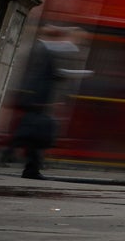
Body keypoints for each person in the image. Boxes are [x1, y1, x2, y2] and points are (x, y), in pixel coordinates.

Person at [9, 25, 88, 179]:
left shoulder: (43, 49)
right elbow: (46, 75)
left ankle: (30, 166)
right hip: (37, 98)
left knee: (35, 133)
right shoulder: (41, 49)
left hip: (37, 98)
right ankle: (29, 167)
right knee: (37, 134)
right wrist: (82, 74)